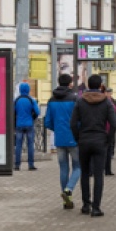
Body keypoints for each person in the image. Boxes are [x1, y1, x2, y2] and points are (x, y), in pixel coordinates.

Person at [70, 74, 116, 218]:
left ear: (88, 85)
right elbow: (114, 124)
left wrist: (78, 137)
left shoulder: (80, 101)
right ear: (100, 86)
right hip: (100, 140)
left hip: (84, 140)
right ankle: (96, 208)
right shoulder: (107, 102)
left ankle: (86, 204)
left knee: (85, 173)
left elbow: (73, 123)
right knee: (99, 175)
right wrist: (108, 140)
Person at [44, 73, 80, 209]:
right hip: (74, 139)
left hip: (59, 139)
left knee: (63, 168)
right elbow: (79, 120)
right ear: (70, 83)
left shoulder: (51, 100)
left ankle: (66, 201)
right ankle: (68, 189)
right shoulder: (75, 99)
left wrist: (58, 129)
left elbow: (47, 121)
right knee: (78, 167)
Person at [14, 82, 40, 170]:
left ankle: (17, 165)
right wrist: (32, 117)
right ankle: (31, 165)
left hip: (19, 125)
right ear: (28, 90)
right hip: (29, 124)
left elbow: (12, 111)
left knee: (18, 145)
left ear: (20, 89)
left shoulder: (16, 100)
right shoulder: (31, 100)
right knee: (30, 145)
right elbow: (37, 112)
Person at [103, 86, 116, 176]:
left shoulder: (112, 101)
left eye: (110, 92)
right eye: (108, 92)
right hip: (105, 129)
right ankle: (103, 169)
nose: (109, 94)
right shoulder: (105, 102)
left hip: (110, 129)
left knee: (109, 149)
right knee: (104, 150)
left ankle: (108, 170)